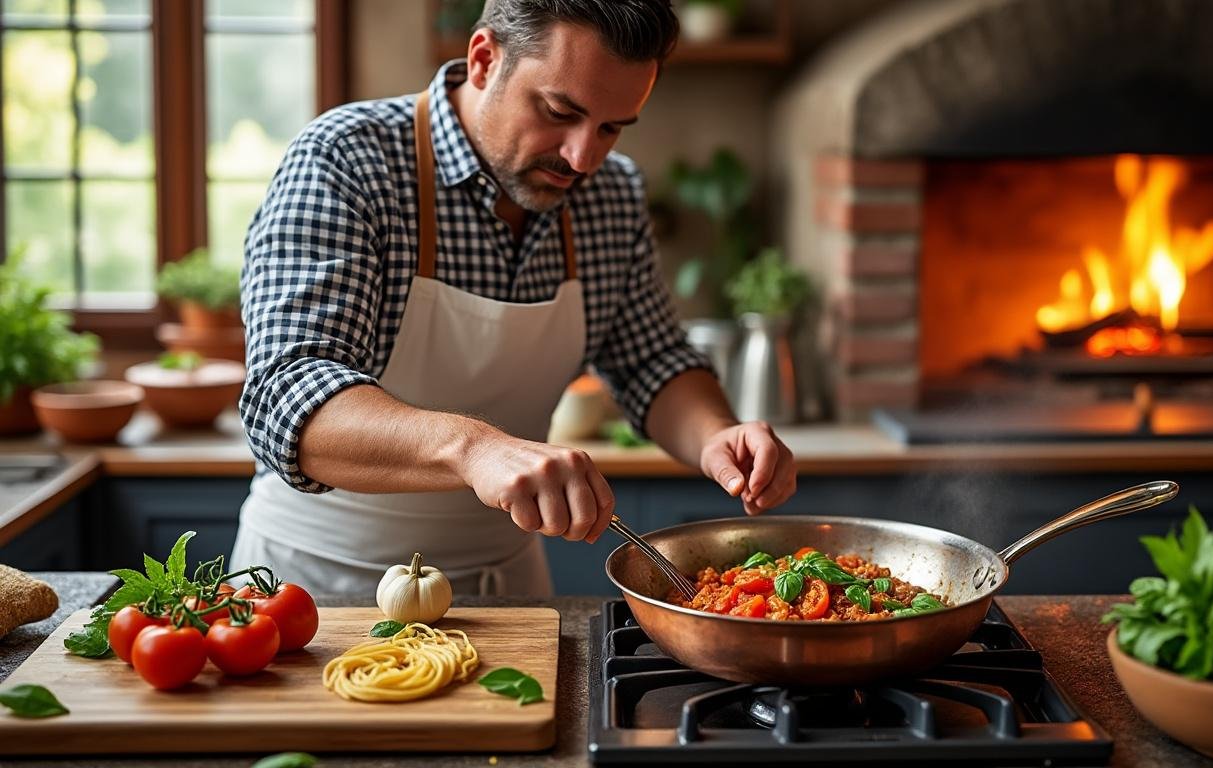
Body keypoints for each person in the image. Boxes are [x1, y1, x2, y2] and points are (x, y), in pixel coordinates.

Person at [229, 0, 798, 596]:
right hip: (318, 588)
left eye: (610, 128)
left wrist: (714, 434)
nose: (582, 158)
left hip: (509, 588)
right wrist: (474, 449)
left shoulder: (612, 195)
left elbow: (651, 361)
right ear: (483, 59)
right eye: (560, 111)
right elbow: (286, 396)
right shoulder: (348, 162)